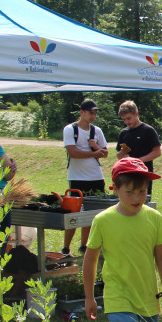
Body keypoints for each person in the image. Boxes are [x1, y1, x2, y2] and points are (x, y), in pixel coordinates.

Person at [83, 158, 162, 322]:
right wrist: (89, 297)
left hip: (148, 297)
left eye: (142, 191)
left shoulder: (154, 217)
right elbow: (89, 260)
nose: (136, 198)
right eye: (129, 192)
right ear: (115, 189)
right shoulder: (103, 220)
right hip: (119, 296)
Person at [62, 98, 109, 255]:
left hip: (96, 177)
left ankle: (85, 245)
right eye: (90, 113)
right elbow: (73, 153)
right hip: (77, 178)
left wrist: (96, 148)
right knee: (73, 214)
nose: (93, 116)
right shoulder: (70, 129)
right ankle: (66, 247)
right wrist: (95, 153)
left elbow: (106, 153)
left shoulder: (97, 131)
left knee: (92, 214)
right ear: (82, 112)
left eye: (95, 113)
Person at [115, 100, 161, 197]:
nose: (127, 122)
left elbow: (157, 152)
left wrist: (138, 161)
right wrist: (122, 152)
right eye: (124, 120)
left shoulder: (148, 130)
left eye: (129, 118)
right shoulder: (123, 133)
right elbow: (118, 155)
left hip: (143, 173)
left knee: (143, 200)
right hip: (127, 174)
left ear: (136, 114)